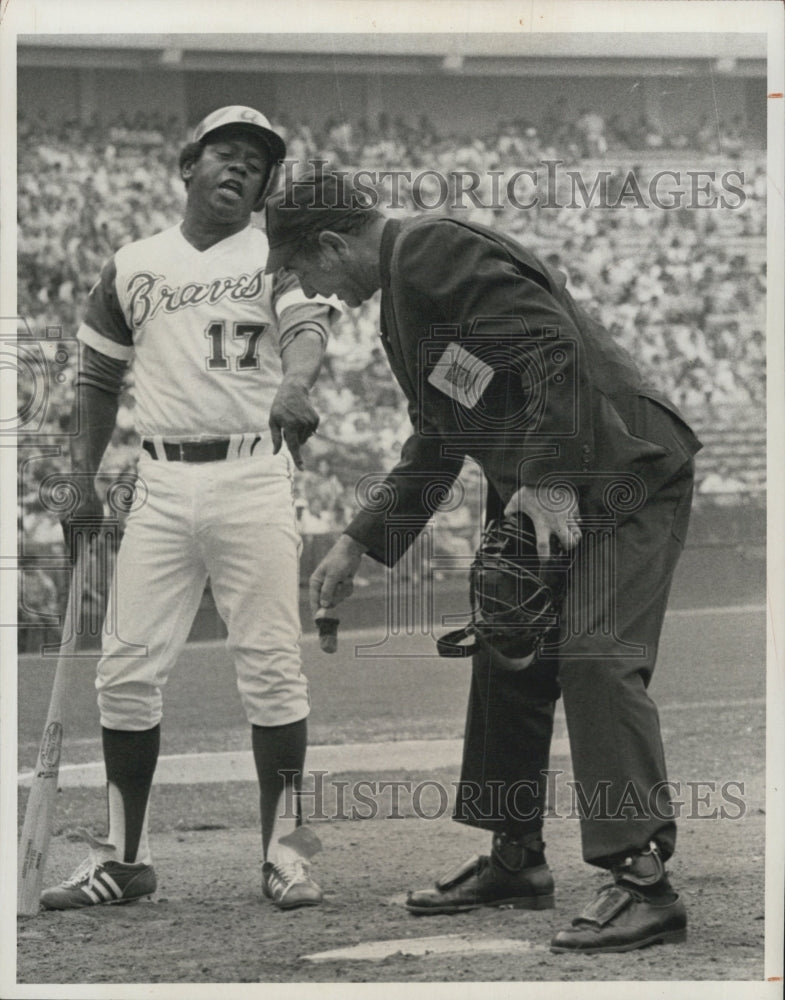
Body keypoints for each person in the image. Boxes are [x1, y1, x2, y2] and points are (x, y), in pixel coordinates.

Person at [264, 169, 702, 953]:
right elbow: (439, 437)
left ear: (331, 243)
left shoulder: (430, 250)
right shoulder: (403, 295)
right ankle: (515, 856)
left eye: (302, 270)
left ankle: (642, 880)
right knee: (509, 650)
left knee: (595, 656)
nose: (310, 289)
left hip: (618, 467)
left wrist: (547, 478)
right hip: (554, 476)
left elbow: (549, 347)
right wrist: (358, 540)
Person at [41, 107, 339, 913]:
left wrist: (295, 381)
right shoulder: (134, 263)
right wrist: (79, 476)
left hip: (252, 474)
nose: (240, 168)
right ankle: (125, 859)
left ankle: (285, 854)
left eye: (255, 163)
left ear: (265, 187)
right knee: (124, 672)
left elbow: (306, 329)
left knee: (271, 670)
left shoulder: (277, 254)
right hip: (160, 482)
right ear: (187, 165)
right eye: (225, 154)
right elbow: (96, 378)